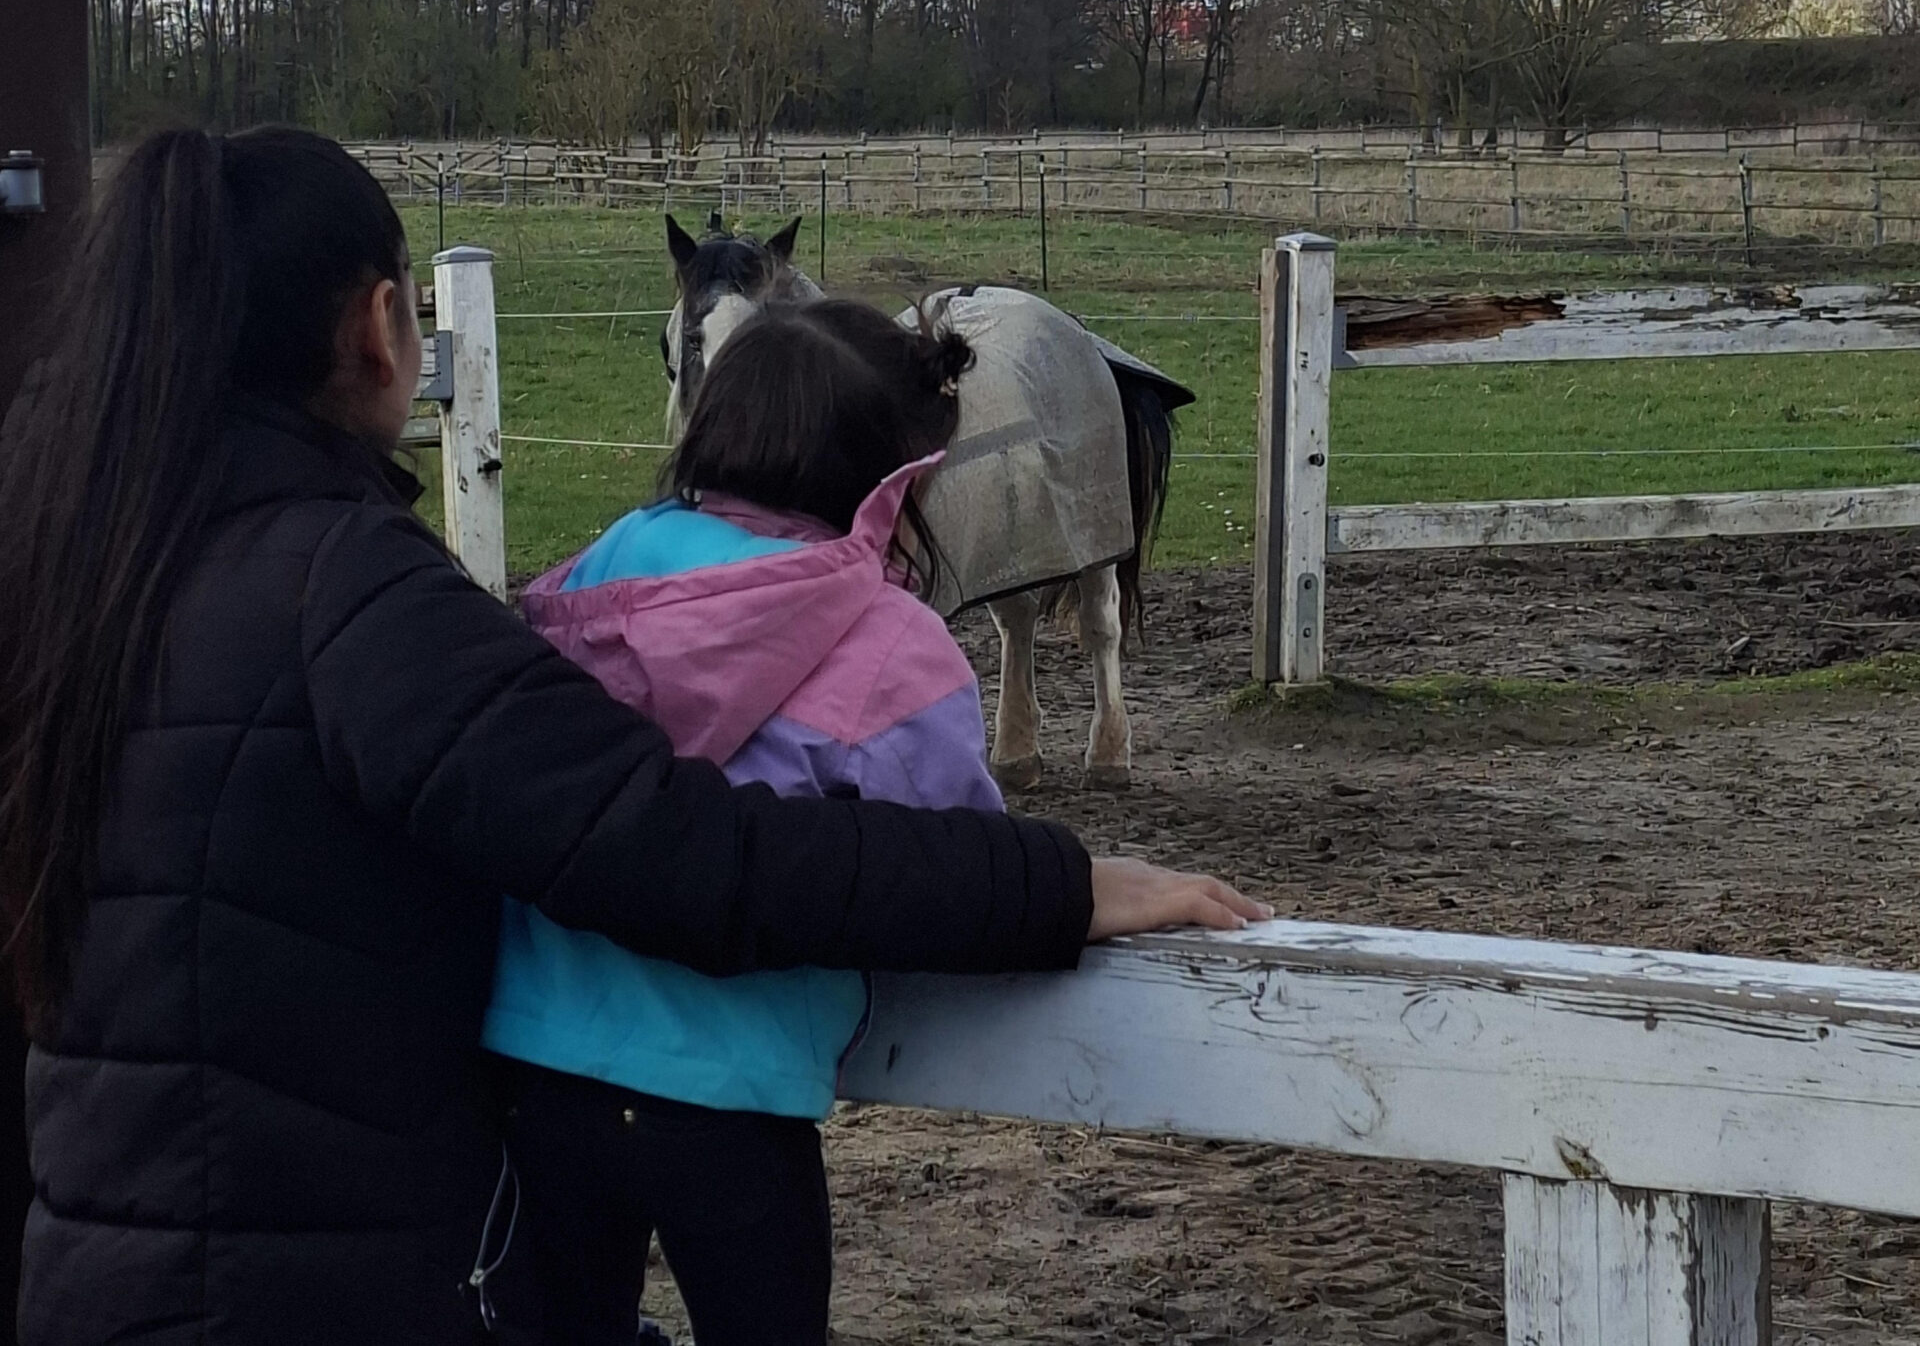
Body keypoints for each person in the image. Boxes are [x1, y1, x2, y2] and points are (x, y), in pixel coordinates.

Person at [0, 125, 1267, 1346]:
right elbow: (682, 852)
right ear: (380, 327)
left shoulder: (81, 572)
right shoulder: (346, 595)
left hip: (90, 1273)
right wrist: (1053, 885)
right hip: (308, 1290)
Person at [487, 298, 1017, 1344]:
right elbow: (961, 855)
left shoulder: (604, 568)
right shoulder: (889, 639)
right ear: (894, 479)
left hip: (540, 1067)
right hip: (736, 1094)